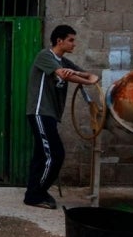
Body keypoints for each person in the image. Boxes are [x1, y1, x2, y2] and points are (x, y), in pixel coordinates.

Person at [24, 25, 99, 209]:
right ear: (59, 41)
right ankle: (36, 195)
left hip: (50, 115)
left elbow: (91, 76)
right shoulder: (45, 56)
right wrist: (81, 78)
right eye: (71, 40)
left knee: (41, 156)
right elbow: (64, 76)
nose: (74, 44)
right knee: (55, 154)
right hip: (40, 111)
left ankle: (34, 192)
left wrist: (78, 74)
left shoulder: (64, 62)